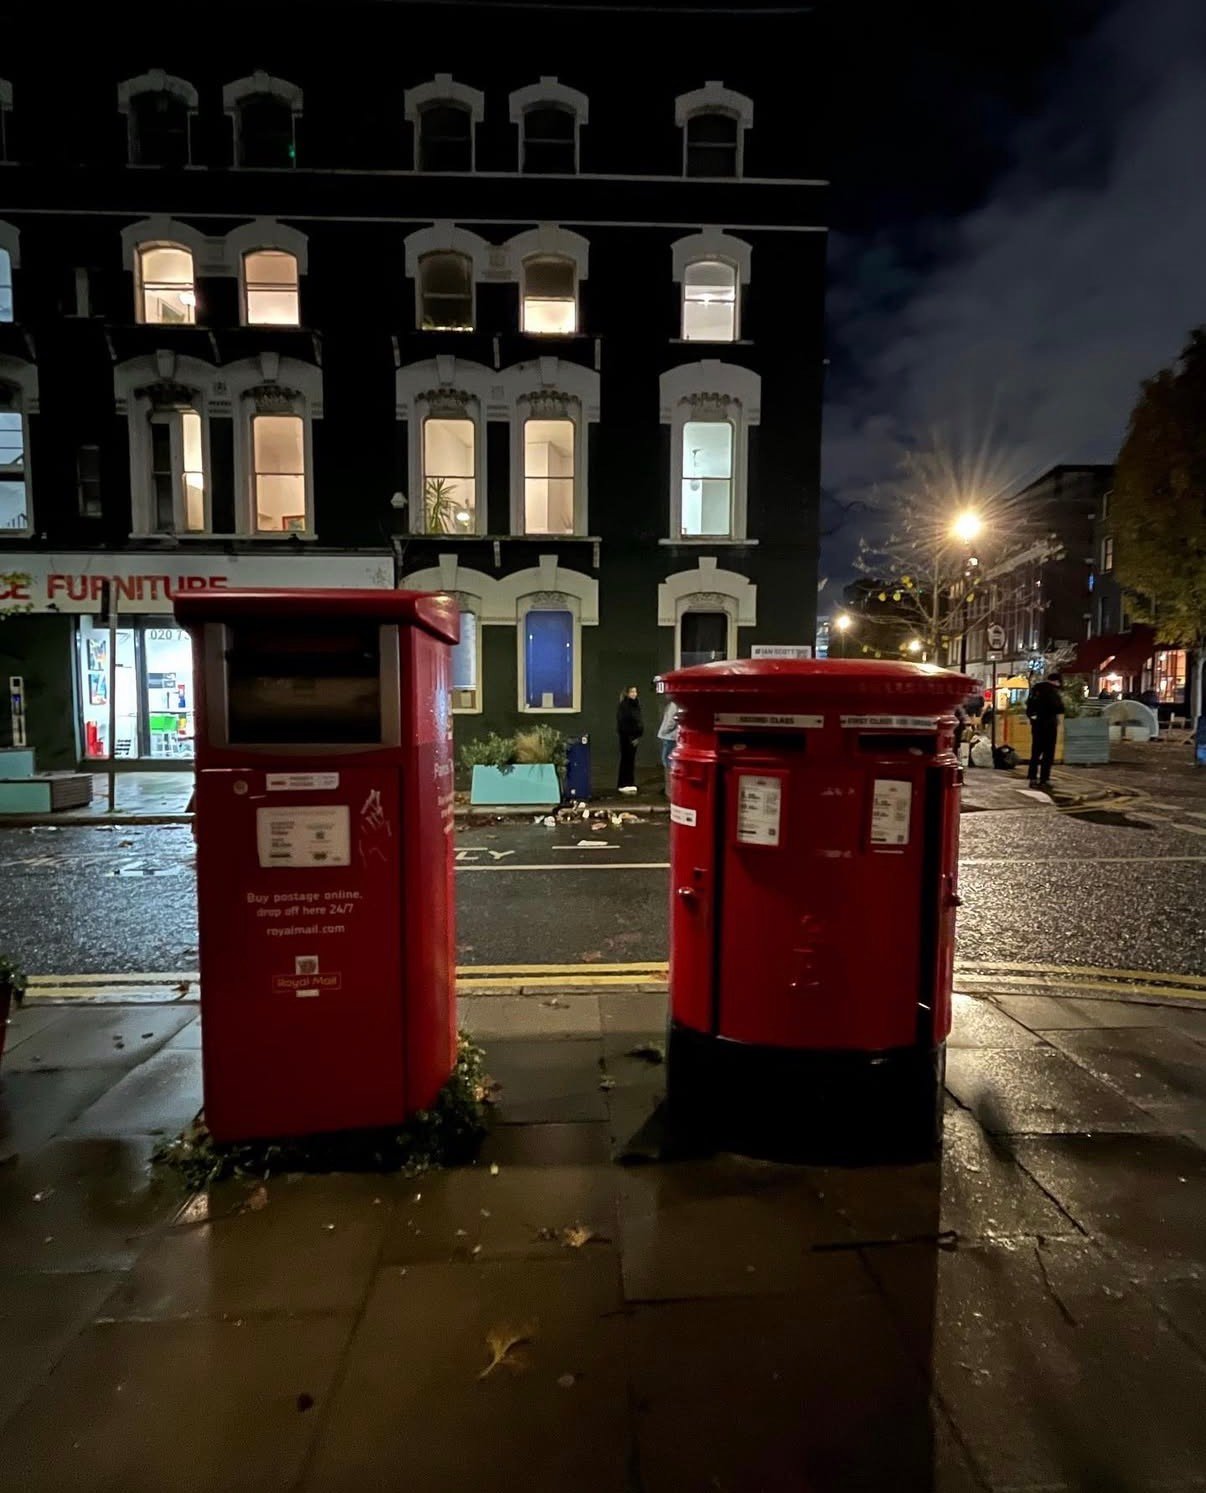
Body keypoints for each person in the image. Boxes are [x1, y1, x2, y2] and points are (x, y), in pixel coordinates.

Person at [1026, 671, 1065, 787]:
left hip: (1037, 725)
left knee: (1035, 752)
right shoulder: (1052, 692)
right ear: (1056, 681)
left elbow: (1029, 707)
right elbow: (1059, 708)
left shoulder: (1035, 690)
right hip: (1049, 725)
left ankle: (1032, 778)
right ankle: (1044, 779)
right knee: (1048, 754)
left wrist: (1034, 719)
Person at [616, 686, 643, 794]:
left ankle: (629, 782)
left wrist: (638, 735)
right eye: (632, 691)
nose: (634, 694)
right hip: (627, 738)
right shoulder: (625, 706)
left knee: (630, 761)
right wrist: (632, 737)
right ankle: (624, 783)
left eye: (635, 691)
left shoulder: (635, 704)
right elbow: (624, 723)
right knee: (626, 760)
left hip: (634, 737)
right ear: (627, 693)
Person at [656, 698, 681, 795]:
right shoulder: (678, 703)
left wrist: (663, 732)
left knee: (667, 762)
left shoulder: (674, 704)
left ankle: (671, 790)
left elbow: (670, 721)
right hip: (674, 736)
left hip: (669, 736)